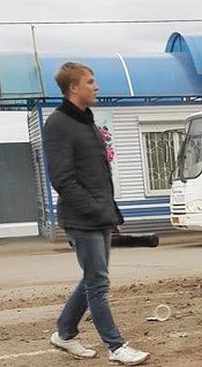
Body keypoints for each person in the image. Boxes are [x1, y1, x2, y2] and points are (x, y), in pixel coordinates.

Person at [43, 62, 150, 365]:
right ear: (73, 87)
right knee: (98, 283)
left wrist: (109, 213)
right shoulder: (59, 124)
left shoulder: (86, 122)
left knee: (92, 279)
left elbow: (99, 174)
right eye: (90, 82)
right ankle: (116, 347)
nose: (96, 86)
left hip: (100, 216)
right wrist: (93, 209)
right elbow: (62, 179)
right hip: (82, 219)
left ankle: (64, 333)